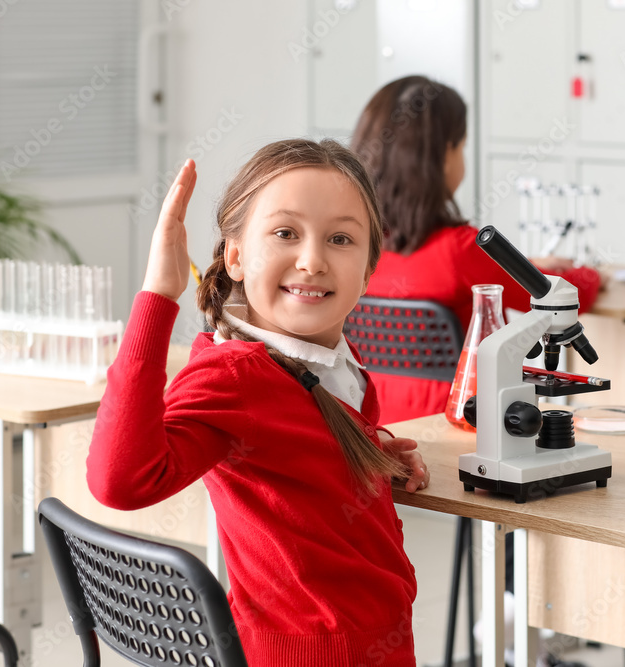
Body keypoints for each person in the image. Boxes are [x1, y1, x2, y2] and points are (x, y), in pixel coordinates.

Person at [86, 139, 430, 666]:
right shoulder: (235, 375)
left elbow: (297, 448)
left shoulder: (330, 361)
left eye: (340, 238)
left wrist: (373, 456)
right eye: (286, 233)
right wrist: (158, 294)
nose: (312, 260)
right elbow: (120, 480)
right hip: (312, 652)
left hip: (371, 640)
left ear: (368, 268)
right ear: (236, 256)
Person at [351, 75, 604, 425]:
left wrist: (528, 264)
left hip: (368, 420)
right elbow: (567, 296)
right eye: (461, 146)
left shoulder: (351, 243)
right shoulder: (459, 251)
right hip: (456, 420)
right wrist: (593, 272)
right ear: (441, 157)